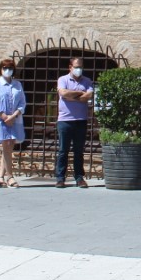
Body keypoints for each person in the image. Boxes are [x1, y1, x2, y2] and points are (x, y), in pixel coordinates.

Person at [56, 57, 94, 188]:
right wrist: (79, 93)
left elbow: (88, 96)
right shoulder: (63, 79)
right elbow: (63, 93)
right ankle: (60, 178)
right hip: (65, 120)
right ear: (70, 67)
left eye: (81, 67)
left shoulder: (87, 81)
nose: (79, 69)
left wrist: (72, 96)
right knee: (63, 151)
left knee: (79, 151)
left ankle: (79, 178)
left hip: (81, 120)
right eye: (76, 67)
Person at [0, 58, 26, 188]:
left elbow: (22, 102)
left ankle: (0, 176)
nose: (7, 70)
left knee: (9, 148)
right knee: (6, 147)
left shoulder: (17, 85)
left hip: (15, 120)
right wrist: (5, 117)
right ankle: (10, 176)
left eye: (10, 68)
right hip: (1, 121)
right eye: (5, 68)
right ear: (0, 69)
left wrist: (14, 116)